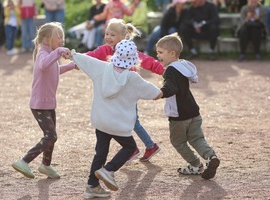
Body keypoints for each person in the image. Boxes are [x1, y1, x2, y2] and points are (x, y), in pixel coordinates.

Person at [70, 40, 163, 198]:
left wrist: (71, 54)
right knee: (130, 148)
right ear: (134, 59)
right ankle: (108, 170)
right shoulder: (133, 78)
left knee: (100, 153)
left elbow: (85, 60)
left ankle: (92, 186)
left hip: (100, 121)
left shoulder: (101, 68)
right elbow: (156, 94)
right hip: (119, 124)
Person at [86, 18, 164, 162]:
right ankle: (138, 147)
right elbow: (91, 57)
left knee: (132, 121)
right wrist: (77, 60)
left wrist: (164, 72)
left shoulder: (130, 50)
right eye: (107, 33)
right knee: (122, 120)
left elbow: (148, 61)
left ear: (123, 37)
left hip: (128, 94)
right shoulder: (104, 49)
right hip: (116, 93)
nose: (108, 37)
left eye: (113, 35)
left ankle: (145, 146)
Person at [12, 22, 77, 179]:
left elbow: (54, 70)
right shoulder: (43, 53)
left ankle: (45, 166)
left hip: (48, 104)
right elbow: (43, 64)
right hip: (39, 105)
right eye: (59, 37)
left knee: (51, 136)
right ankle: (24, 161)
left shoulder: (51, 55)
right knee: (51, 136)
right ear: (47, 39)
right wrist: (60, 51)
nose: (62, 39)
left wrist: (71, 65)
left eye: (63, 36)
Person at [155, 32, 220, 180]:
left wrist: (159, 93)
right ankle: (211, 156)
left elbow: (171, 88)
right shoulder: (183, 65)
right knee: (197, 138)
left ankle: (195, 165)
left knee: (178, 141)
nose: (157, 55)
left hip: (179, 115)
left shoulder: (170, 70)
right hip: (193, 111)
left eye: (160, 52)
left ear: (172, 53)